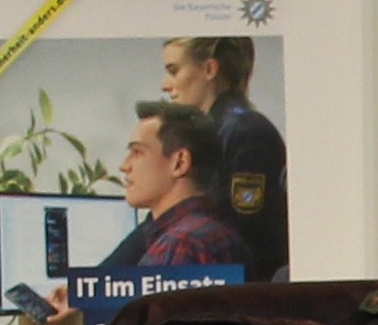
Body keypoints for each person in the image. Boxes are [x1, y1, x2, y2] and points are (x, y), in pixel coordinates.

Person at [159, 29, 290, 278]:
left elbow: (246, 237)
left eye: (174, 71)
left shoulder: (246, 132)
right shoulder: (212, 133)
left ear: (209, 69)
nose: (165, 85)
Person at [97, 101, 246, 271]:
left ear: (179, 163)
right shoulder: (225, 235)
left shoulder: (179, 245)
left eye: (137, 152)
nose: (124, 166)